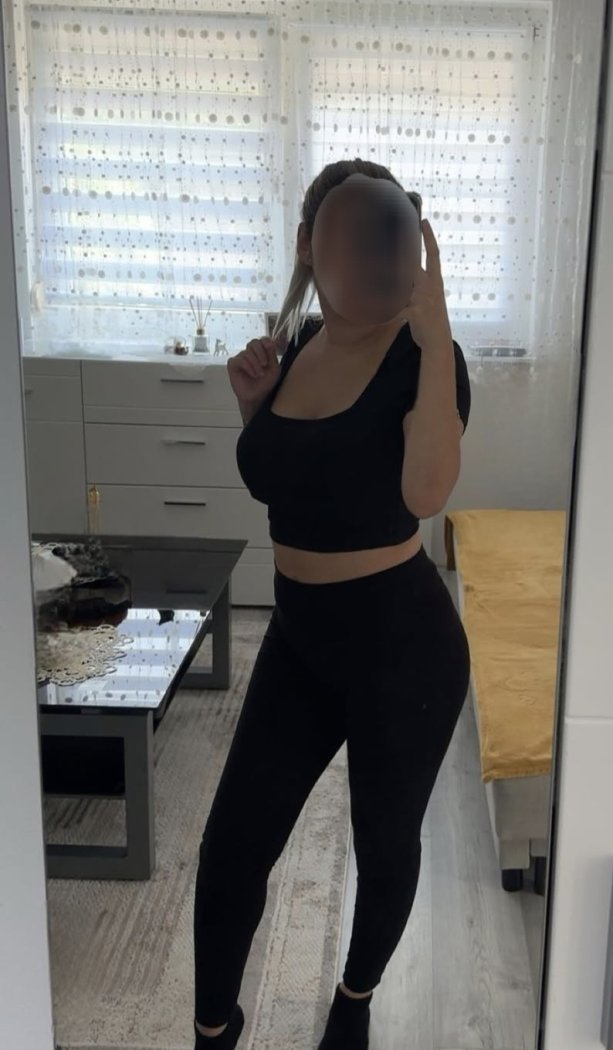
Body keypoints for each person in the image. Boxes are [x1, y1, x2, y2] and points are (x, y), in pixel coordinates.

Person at [192, 158, 472, 1050]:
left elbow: (426, 494)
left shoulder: (426, 358)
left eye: (387, 239)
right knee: (232, 848)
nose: (374, 258)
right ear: (311, 247)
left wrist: (435, 339)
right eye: (349, 238)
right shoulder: (299, 339)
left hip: (403, 649)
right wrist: (252, 407)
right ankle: (211, 1027)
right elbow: (282, 483)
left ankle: (353, 1004)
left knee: (383, 844)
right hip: (301, 639)